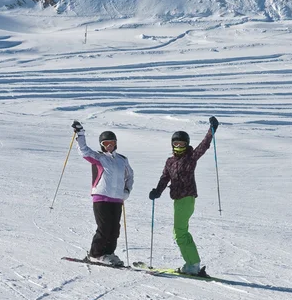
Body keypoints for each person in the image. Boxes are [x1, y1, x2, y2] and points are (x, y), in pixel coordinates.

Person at [149, 116, 219, 275]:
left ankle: (193, 264)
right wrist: (157, 191)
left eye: (182, 144)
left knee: (180, 231)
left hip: (187, 198)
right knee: (180, 231)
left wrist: (212, 130)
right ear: (172, 145)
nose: (179, 146)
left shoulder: (191, 157)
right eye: (176, 144)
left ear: (186, 145)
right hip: (178, 200)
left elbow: (204, 145)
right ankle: (191, 263)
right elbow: (165, 178)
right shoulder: (170, 161)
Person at [72, 120, 134, 266]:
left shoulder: (122, 160)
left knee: (115, 228)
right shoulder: (98, 158)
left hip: (117, 199)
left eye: (111, 142)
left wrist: (127, 190)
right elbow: (83, 150)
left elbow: (130, 176)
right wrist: (80, 133)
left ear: (116, 143)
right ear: (102, 145)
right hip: (101, 197)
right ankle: (95, 254)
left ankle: (109, 253)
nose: (109, 145)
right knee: (104, 227)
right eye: (106, 143)